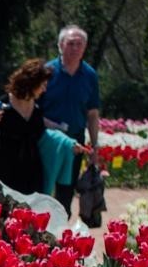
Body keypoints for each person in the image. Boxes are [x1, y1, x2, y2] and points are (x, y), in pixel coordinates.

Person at [40, 25, 102, 219]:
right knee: (42, 186)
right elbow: (33, 108)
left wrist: (95, 145)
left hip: (75, 142)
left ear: (85, 47)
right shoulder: (47, 72)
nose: (75, 48)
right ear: (60, 45)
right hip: (47, 140)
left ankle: (60, 233)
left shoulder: (89, 75)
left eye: (79, 44)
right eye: (71, 43)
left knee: (66, 190)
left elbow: (92, 113)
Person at [0, 59, 54, 195]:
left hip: (31, 171)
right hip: (4, 168)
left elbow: (44, 137)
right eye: (42, 85)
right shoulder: (3, 103)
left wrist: (69, 144)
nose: (45, 89)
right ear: (32, 83)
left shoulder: (37, 109)